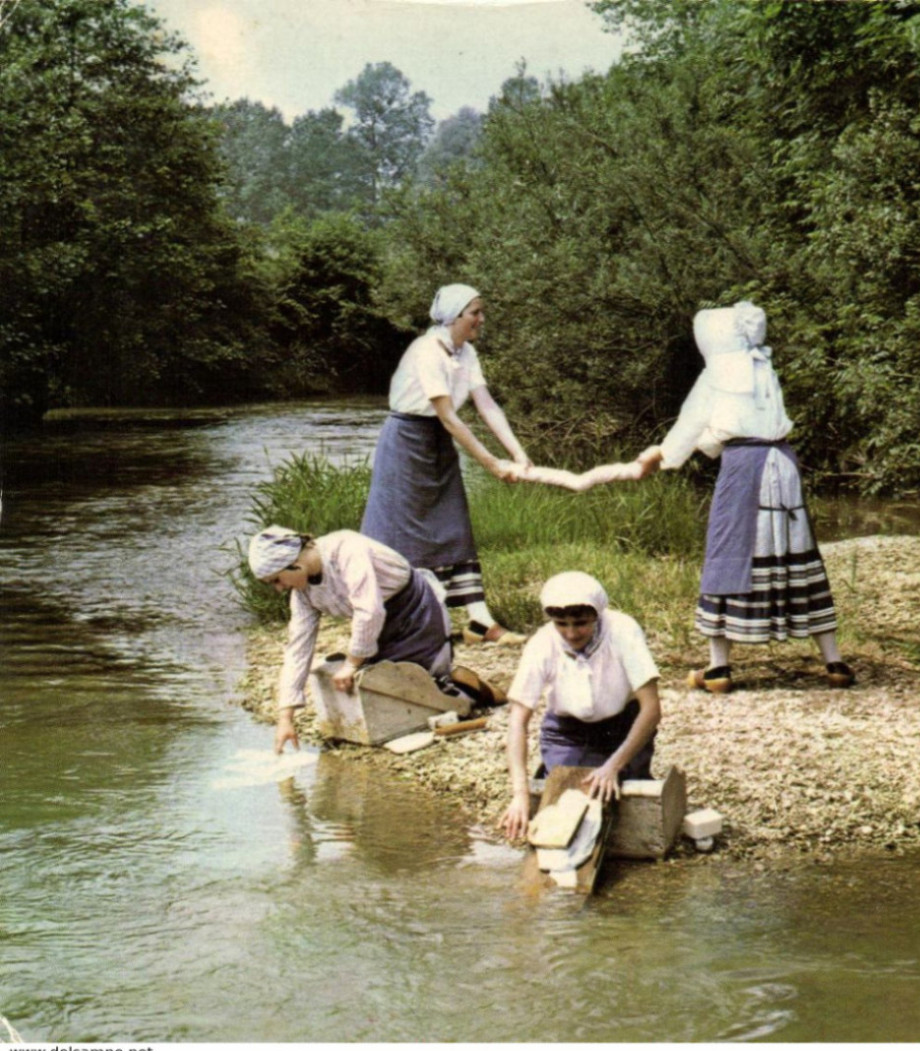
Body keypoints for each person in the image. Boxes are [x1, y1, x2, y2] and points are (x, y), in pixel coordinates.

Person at [632, 301, 852, 693]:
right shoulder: (763, 367)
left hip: (745, 466)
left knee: (728, 550)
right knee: (795, 552)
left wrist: (660, 456)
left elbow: (692, 424)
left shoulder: (718, 372)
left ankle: (718, 669)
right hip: (783, 463)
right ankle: (833, 662)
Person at [360, 283, 529, 647]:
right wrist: (490, 463)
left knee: (453, 523)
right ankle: (396, 618)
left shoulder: (465, 352)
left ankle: (480, 622)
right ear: (455, 317)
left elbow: (486, 405)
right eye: (475, 313)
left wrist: (518, 454)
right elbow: (450, 416)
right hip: (406, 443)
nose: (481, 319)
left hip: (437, 442)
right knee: (398, 534)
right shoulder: (426, 351)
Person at [249, 526, 463, 754]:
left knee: (421, 680)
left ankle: (462, 690)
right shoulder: (303, 592)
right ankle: (449, 682)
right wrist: (286, 717)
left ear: (294, 563)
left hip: (413, 611)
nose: (280, 588)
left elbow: (369, 611)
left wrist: (352, 663)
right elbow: (298, 648)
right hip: (378, 627)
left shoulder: (346, 549)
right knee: (382, 685)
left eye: (277, 580)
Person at [500, 572, 661, 841]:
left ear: (597, 615)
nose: (571, 633)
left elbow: (652, 709)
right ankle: (553, 771)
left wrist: (613, 767)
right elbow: (517, 721)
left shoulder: (623, 631)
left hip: (623, 726)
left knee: (620, 795)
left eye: (581, 623)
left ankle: (629, 767)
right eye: (561, 624)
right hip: (568, 732)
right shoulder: (542, 643)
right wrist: (520, 795)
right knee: (571, 800)